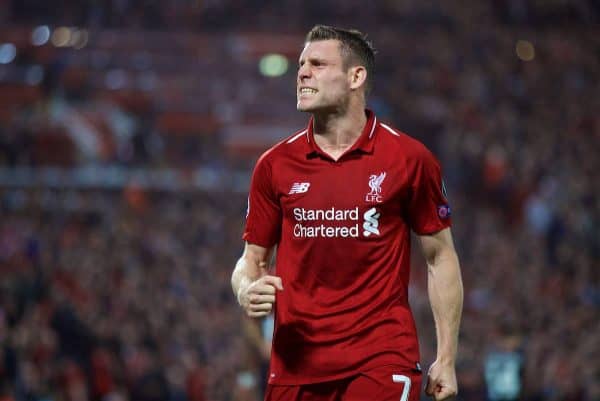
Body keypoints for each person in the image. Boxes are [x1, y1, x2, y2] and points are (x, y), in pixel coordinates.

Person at [231, 25, 463, 401]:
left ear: (356, 76)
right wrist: (244, 288)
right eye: (301, 64)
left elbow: (440, 256)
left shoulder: (409, 159)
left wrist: (447, 357)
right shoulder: (274, 165)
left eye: (318, 64)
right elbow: (250, 261)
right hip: (295, 366)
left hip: (381, 359)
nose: (303, 72)